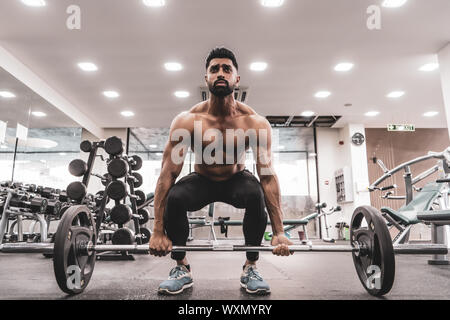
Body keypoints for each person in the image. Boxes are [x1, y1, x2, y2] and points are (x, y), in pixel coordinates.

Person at [149, 47, 293, 295]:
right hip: (202, 179)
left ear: (237, 79)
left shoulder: (254, 123)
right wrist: (157, 230)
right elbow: (168, 174)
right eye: (214, 69)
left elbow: (267, 177)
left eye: (227, 68)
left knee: (256, 193)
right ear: (206, 78)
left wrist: (279, 232)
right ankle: (182, 267)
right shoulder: (187, 120)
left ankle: (250, 266)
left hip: (236, 179)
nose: (220, 73)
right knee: (176, 196)